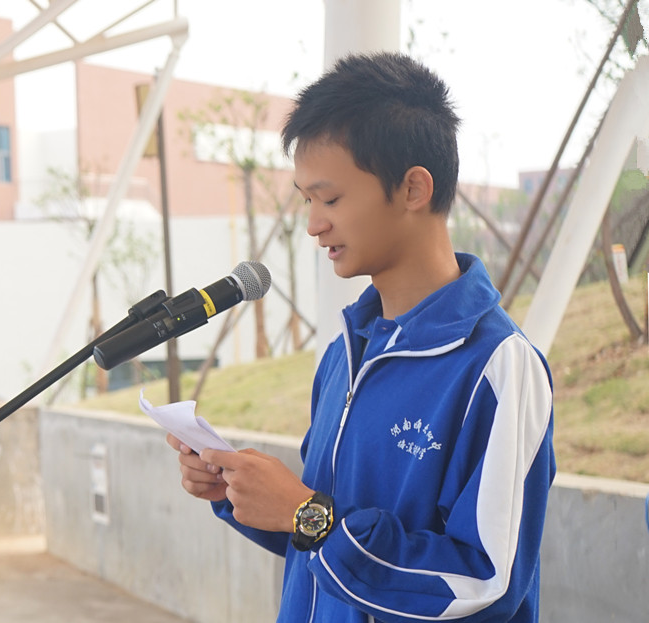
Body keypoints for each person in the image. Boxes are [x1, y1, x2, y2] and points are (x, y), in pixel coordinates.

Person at [166, 51, 555, 622]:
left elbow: (482, 582)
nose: (313, 224)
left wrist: (306, 514)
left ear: (413, 188)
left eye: (331, 199)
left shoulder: (497, 366)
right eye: (307, 200)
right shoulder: (345, 353)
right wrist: (244, 493)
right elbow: (324, 540)